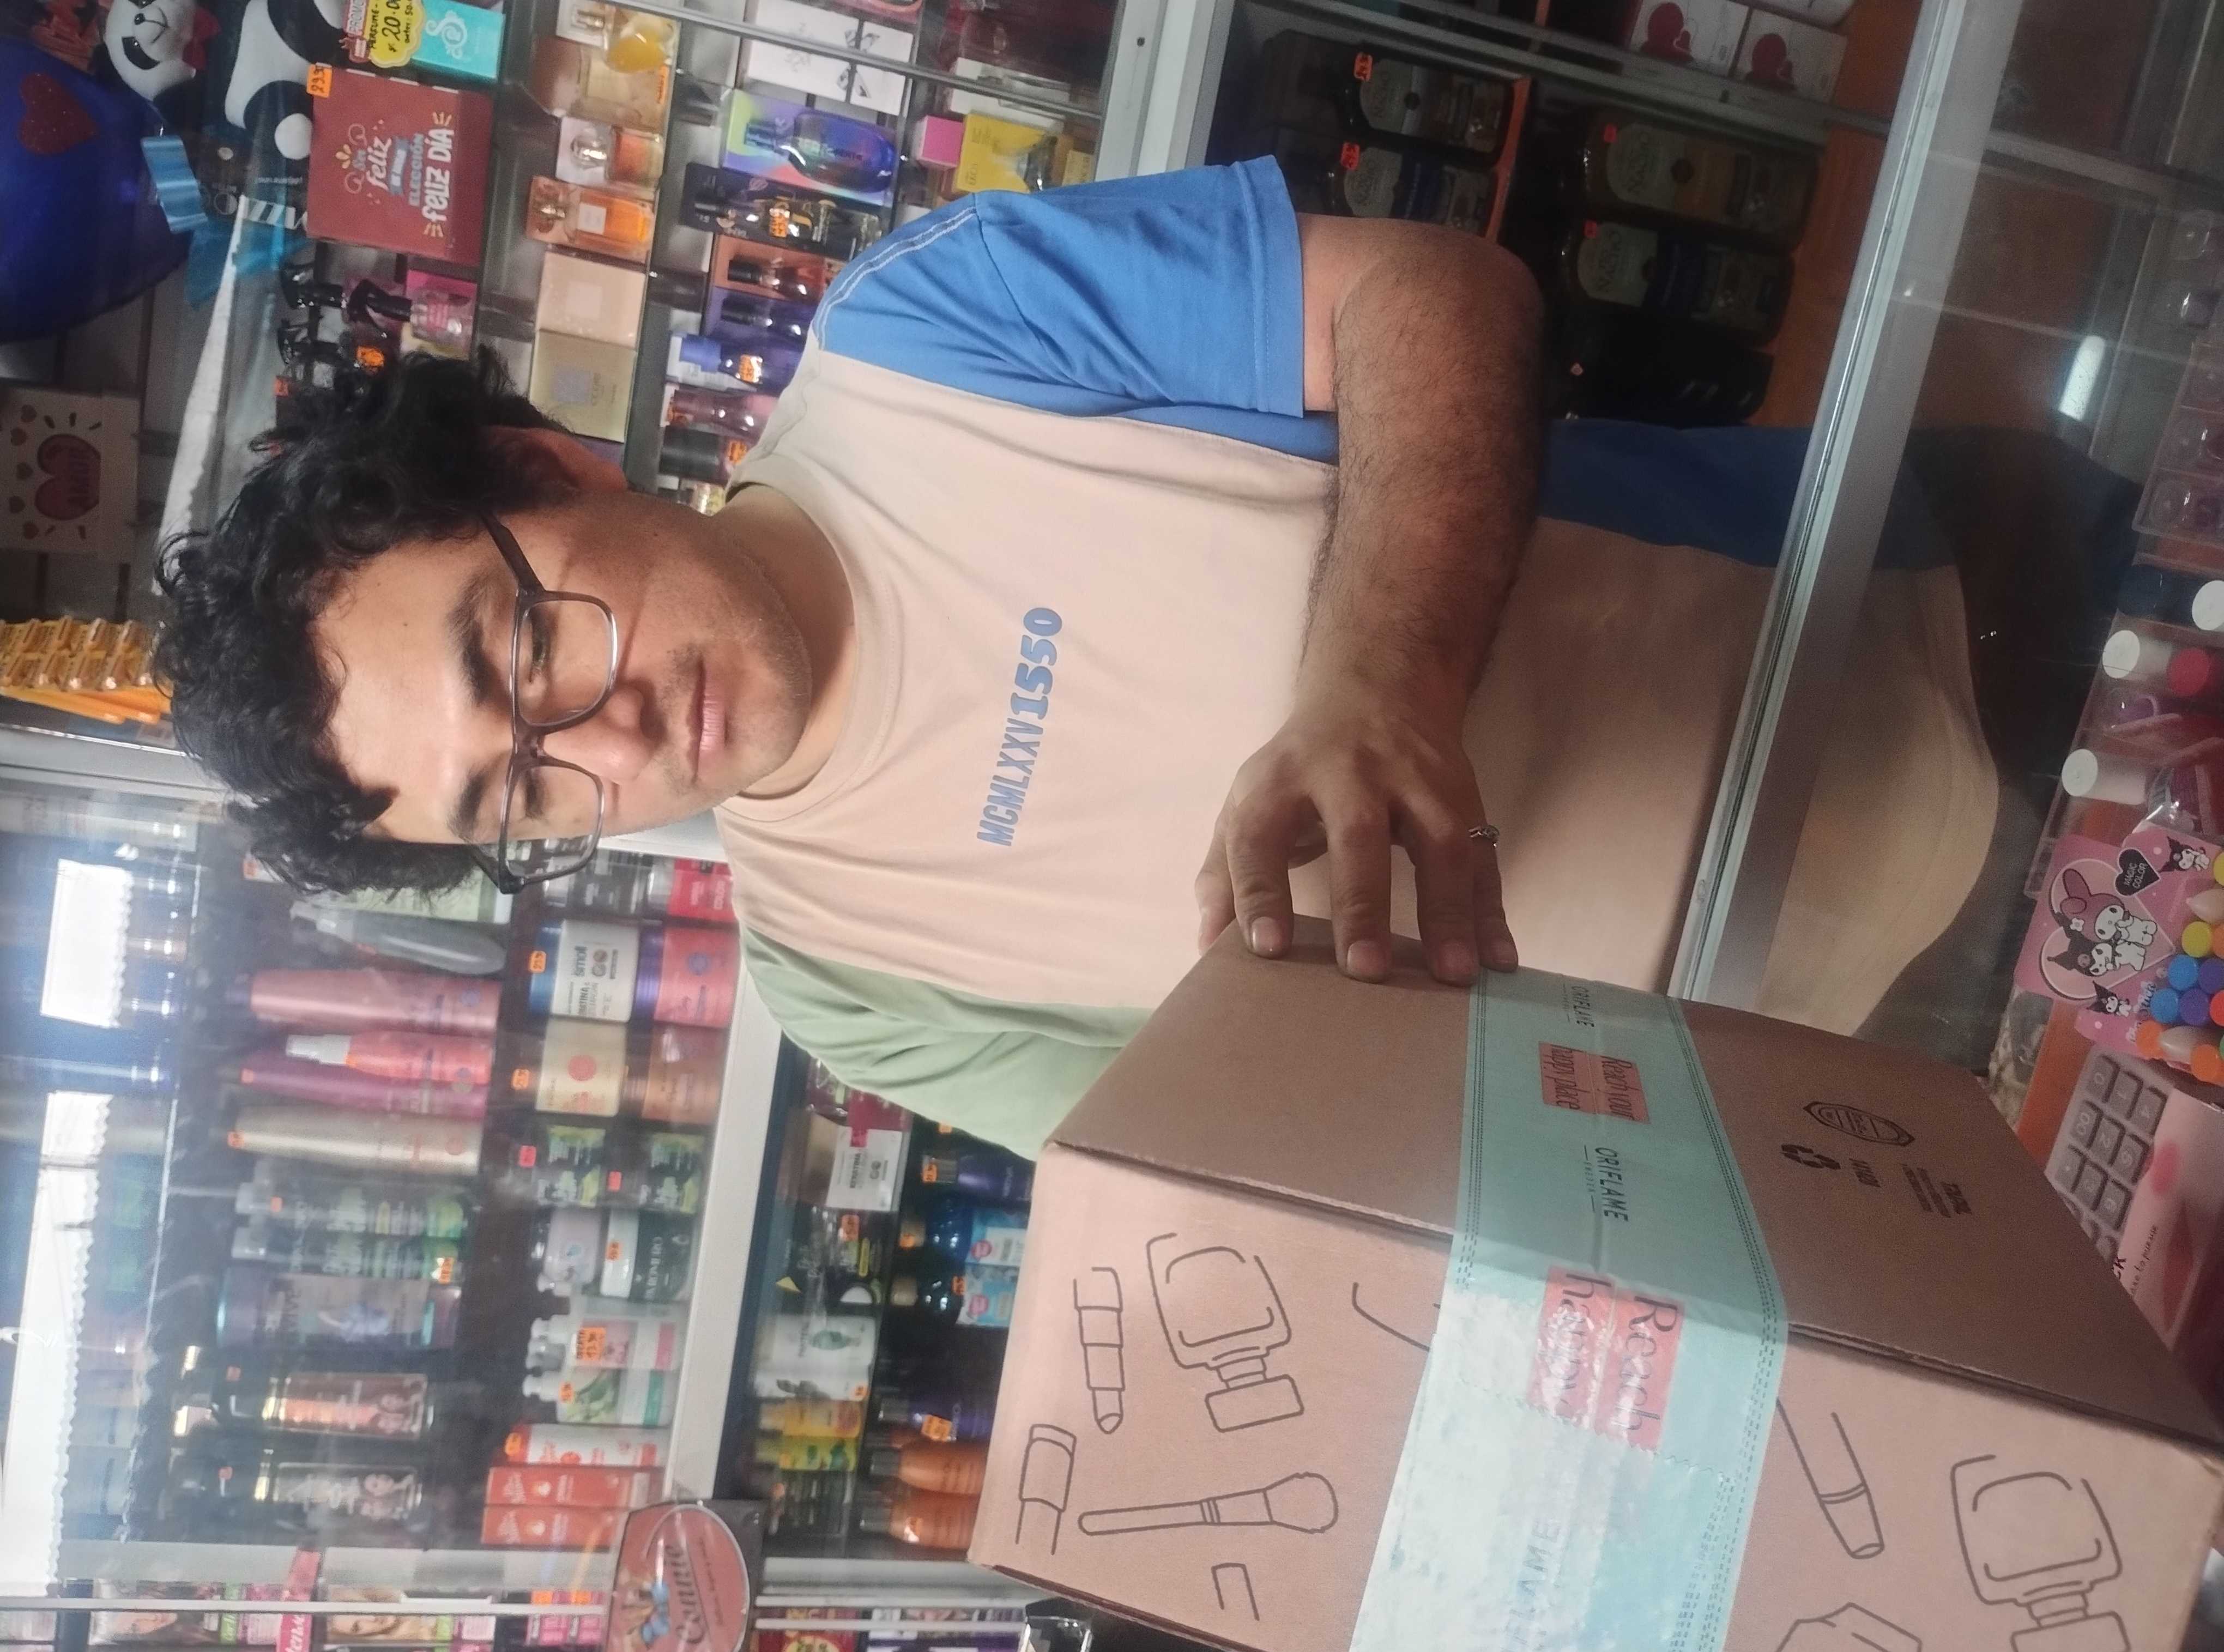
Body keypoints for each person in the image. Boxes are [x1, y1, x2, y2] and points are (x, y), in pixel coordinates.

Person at [158, 161, 1997, 1155]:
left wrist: (1380, 682)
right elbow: (1281, 1166)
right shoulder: (845, 984)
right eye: (525, 795)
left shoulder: (931, 335)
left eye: (528, 648)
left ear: (552, 467)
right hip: (1861, 1087)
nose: (607, 739)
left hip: (1942, 632)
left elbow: (1438, 293)